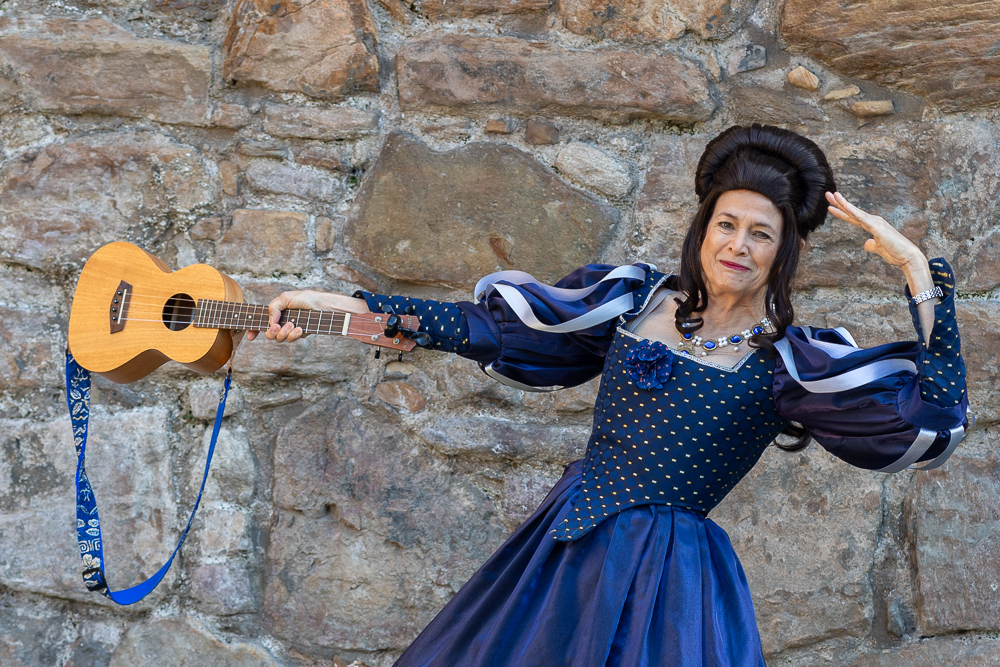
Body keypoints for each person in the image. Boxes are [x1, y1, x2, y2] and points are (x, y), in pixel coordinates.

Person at [245, 124, 971, 666]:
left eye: (760, 234)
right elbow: (483, 329)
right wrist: (343, 308)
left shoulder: (790, 363)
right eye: (726, 224)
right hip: (563, 556)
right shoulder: (630, 301)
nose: (738, 246)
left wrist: (917, 273)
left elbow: (932, 420)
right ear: (703, 227)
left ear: (784, 251)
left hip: (669, 590)